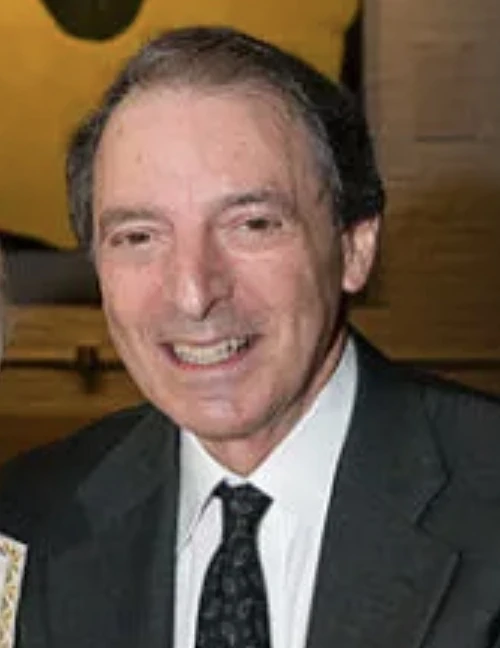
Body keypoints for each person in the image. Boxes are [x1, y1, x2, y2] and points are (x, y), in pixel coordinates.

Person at [1, 26, 500, 648]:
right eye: (138, 237)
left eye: (252, 224)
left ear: (354, 246)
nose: (193, 293)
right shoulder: (28, 518)